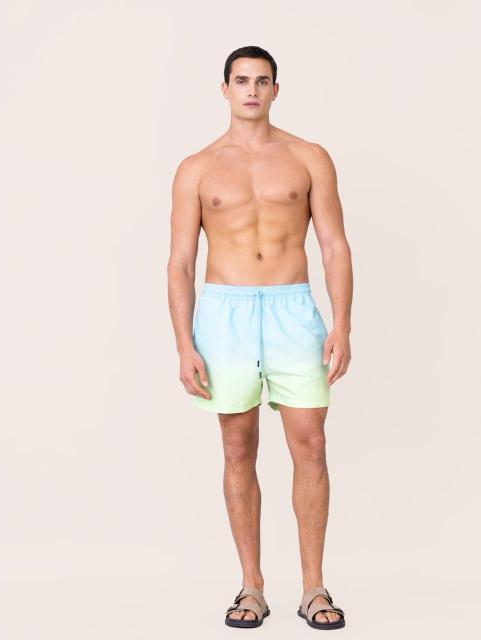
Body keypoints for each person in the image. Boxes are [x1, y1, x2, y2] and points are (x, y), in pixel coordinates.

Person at [167, 45, 353, 630]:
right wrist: (184, 343)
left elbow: (333, 245)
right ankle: (252, 586)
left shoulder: (308, 157)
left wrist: (342, 323)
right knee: (237, 447)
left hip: (292, 308)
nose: (252, 90)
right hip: (225, 313)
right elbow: (180, 262)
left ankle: (314, 588)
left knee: (311, 445)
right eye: (242, 80)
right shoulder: (197, 168)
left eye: (262, 81)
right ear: (224, 89)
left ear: (276, 89)